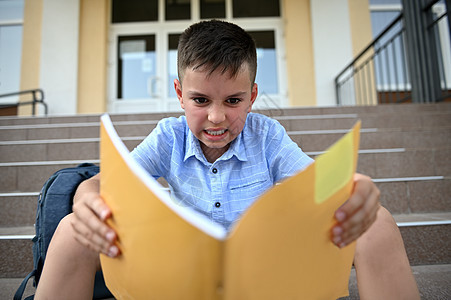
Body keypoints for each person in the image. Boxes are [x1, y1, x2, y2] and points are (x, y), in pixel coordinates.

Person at [35, 20, 420, 299]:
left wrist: (357, 187)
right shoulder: (169, 136)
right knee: (72, 229)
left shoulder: (267, 136)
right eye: (200, 100)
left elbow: (320, 180)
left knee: (378, 221)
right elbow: (105, 183)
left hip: (265, 280)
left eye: (233, 101)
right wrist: (87, 197)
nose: (216, 117)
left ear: (252, 97)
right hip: (182, 280)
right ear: (180, 94)